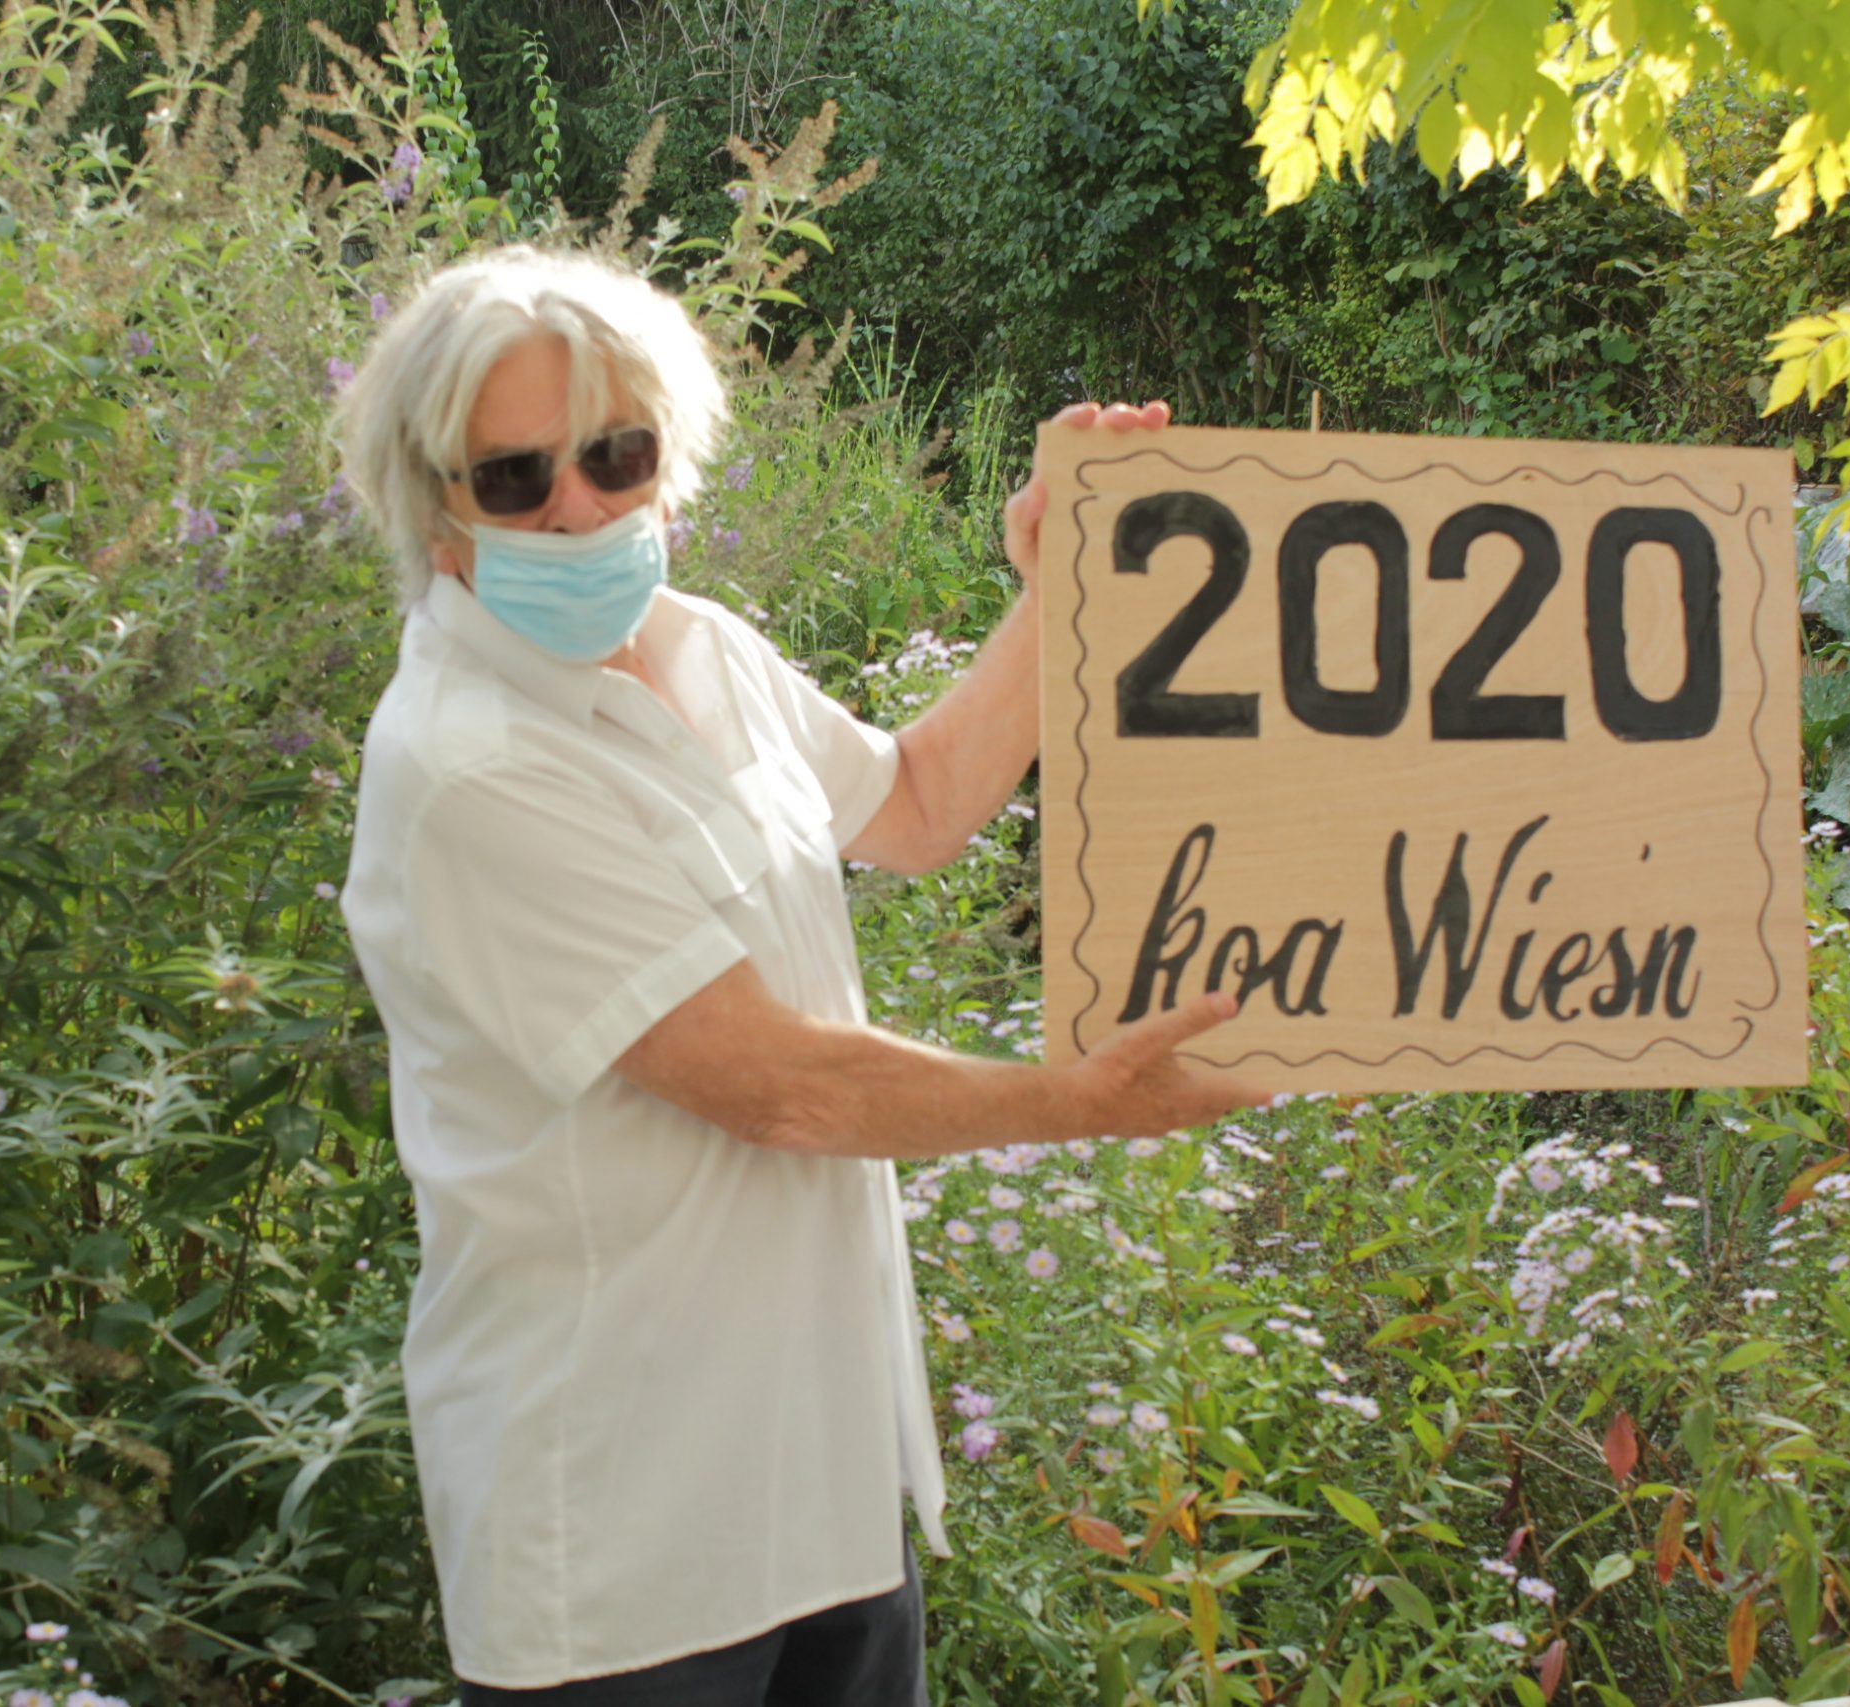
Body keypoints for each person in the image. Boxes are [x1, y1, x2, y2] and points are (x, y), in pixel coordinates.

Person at [331, 244, 1258, 1706]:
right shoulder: (468, 765)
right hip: (623, 1542)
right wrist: (1077, 1101)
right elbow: (779, 1087)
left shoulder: (701, 651)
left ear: (668, 462)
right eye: (515, 478)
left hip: (820, 1486)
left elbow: (921, 804)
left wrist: (1072, 585)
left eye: (617, 454)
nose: (578, 507)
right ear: (439, 514)